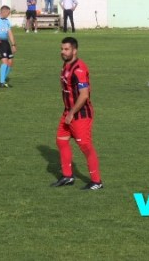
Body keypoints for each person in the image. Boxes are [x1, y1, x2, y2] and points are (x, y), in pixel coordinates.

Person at [51, 37, 103, 190]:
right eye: (62, 49)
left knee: (86, 146)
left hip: (80, 114)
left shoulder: (79, 69)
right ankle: (68, 176)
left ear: (74, 50)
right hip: (68, 112)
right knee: (61, 141)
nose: (63, 52)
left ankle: (97, 181)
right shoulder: (66, 65)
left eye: (66, 49)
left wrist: (72, 113)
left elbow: (84, 94)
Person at [0, 5, 16, 88]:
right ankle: (2, 82)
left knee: (10, 62)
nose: (9, 14)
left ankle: (3, 79)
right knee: (5, 62)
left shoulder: (7, 21)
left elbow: (10, 33)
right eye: (8, 13)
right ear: (4, 11)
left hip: (6, 43)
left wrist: (13, 44)